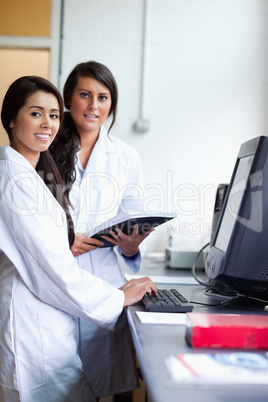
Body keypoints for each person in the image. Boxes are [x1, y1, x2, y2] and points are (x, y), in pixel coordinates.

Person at [0, 75, 157, 402]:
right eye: (35, 113)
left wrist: (130, 247)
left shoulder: (27, 174)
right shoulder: (14, 180)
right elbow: (51, 268)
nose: (47, 123)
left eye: (53, 115)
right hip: (37, 324)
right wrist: (116, 297)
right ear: (12, 118)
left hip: (65, 305)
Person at [49, 61, 152, 398]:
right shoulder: (44, 149)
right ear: (68, 99)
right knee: (59, 385)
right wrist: (62, 241)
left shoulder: (126, 157)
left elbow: (132, 224)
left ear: (112, 104)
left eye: (103, 97)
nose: (94, 106)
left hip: (104, 285)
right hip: (55, 280)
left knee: (103, 380)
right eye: (85, 95)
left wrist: (132, 245)